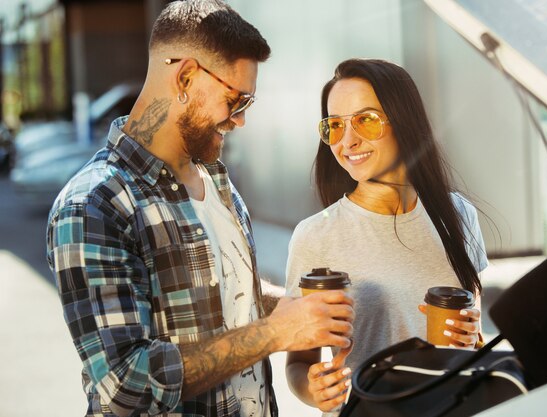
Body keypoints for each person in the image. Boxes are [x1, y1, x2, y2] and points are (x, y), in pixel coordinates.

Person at [46, 2, 354, 416]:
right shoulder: (93, 204)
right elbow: (124, 385)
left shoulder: (215, 179)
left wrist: (292, 306)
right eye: (236, 99)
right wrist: (275, 333)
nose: (240, 120)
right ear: (186, 76)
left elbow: (221, 290)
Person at [285, 58, 488, 414]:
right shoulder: (316, 235)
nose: (347, 141)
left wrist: (471, 339)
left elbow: (475, 333)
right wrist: (314, 389)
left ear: (404, 121)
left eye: (366, 120)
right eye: (335, 126)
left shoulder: (460, 217)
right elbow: (298, 363)